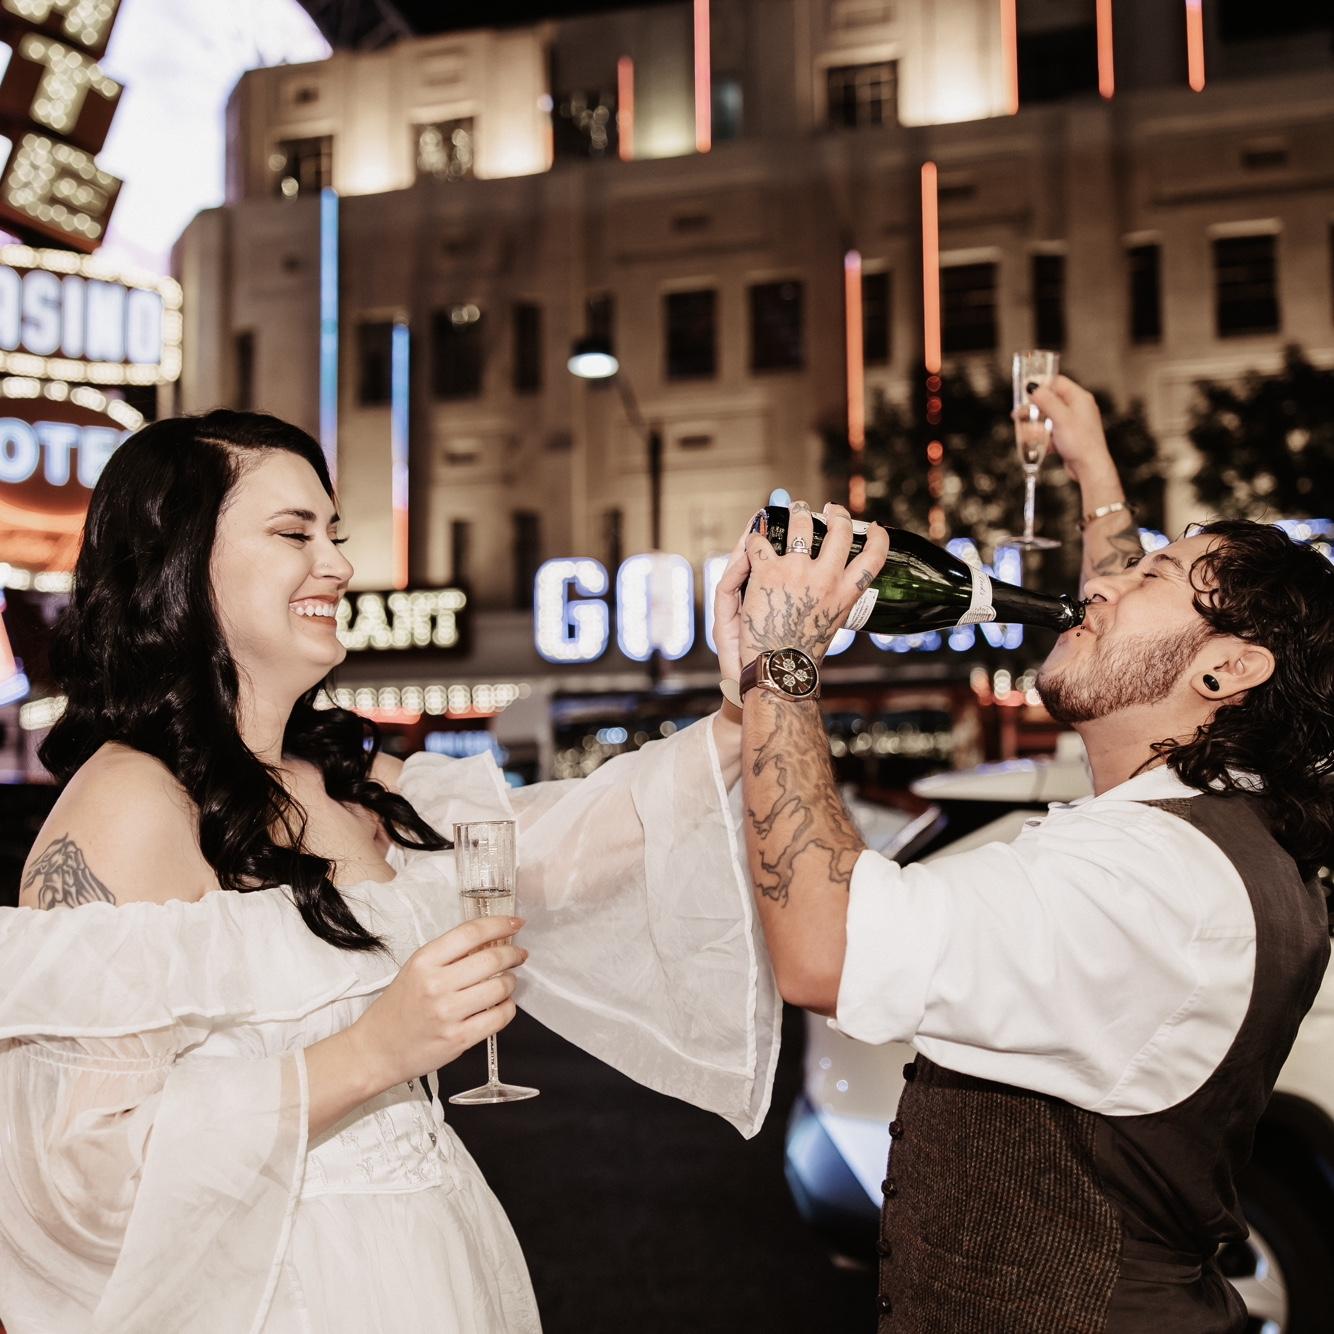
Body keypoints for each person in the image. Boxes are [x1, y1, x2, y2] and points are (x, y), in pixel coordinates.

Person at [0, 411, 779, 1334]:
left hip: (431, 1266)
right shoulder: (127, 805)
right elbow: (79, 1174)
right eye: (293, 534)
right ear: (178, 562)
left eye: (334, 535)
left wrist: (752, 695)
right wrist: (374, 1052)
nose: (336, 565)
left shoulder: (348, 779)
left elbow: (565, 844)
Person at [724, 375, 1334, 1332]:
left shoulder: (1155, 877)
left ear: (1229, 671)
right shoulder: (1225, 818)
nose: (1097, 588)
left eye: (1151, 579)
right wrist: (1095, 473)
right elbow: (1148, 651)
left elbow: (824, 947)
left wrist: (782, 658)